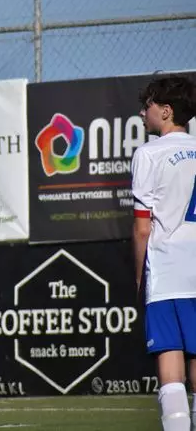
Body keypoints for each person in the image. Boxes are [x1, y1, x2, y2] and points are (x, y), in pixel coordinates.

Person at [132, 74, 196, 431]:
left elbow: (143, 227)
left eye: (148, 106)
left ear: (167, 111)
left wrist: (139, 277)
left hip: (168, 271)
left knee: (171, 368)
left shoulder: (149, 153)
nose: (143, 113)